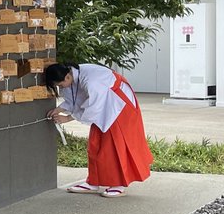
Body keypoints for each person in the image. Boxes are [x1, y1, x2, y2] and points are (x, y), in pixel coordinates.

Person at [44, 62, 153, 198]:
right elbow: (76, 97)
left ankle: (118, 184)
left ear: (66, 77)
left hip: (118, 105)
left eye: (60, 85)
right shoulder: (72, 75)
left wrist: (67, 118)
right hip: (105, 104)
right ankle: (93, 182)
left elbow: (94, 106)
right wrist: (59, 109)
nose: (61, 88)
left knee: (114, 147)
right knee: (96, 144)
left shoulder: (92, 81)